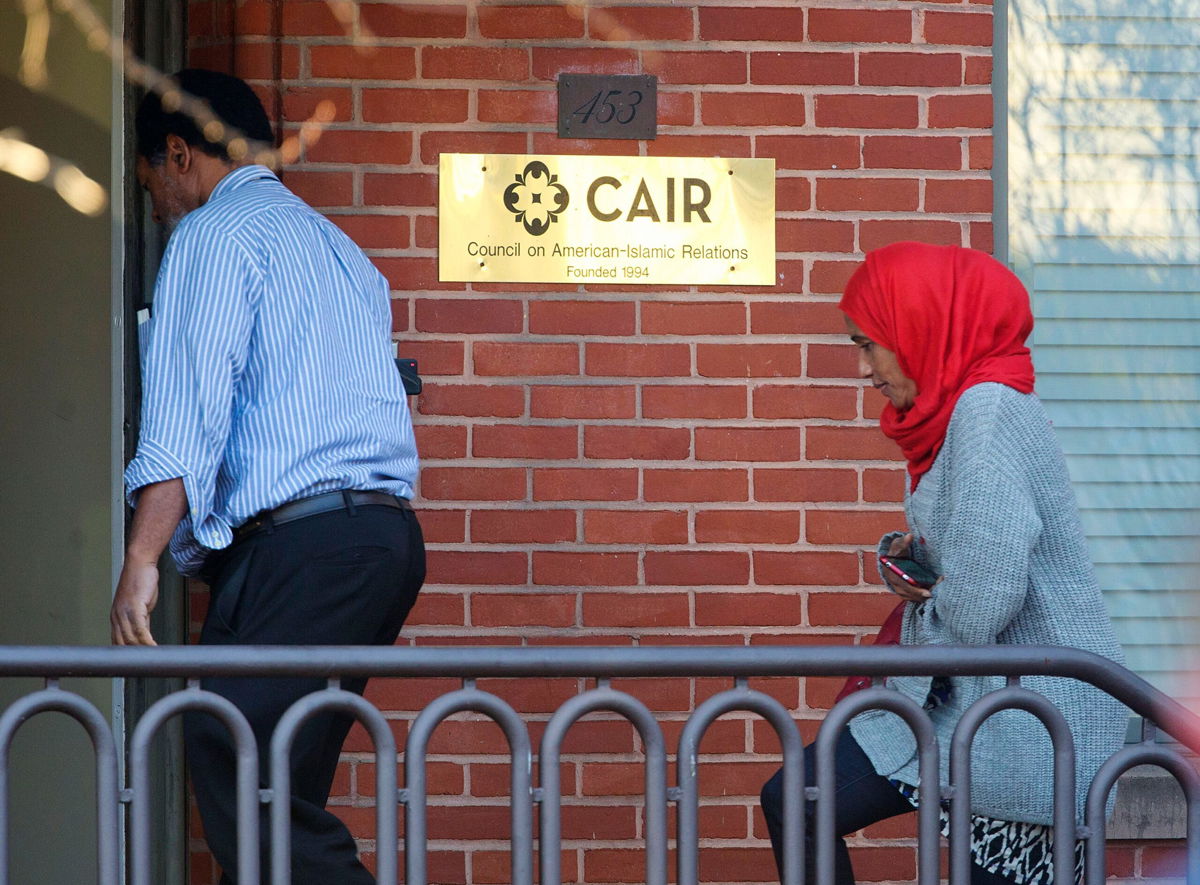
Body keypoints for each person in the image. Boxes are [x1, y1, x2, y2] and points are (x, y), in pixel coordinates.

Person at [112, 69, 425, 884]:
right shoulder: (339, 248)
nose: (155, 207)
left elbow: (187, 410)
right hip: (380, 540)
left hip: (302, 545)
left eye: (151, 183)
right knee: (274, 781)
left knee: (234, 758)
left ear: (178, 154)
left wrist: (141, 560)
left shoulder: (214, 237)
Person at [760, 242, 1128, 885]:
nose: (865, 368)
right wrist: (920, 565)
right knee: (797, 798)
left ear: (922, 326)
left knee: (801, 800)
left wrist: (933, 591)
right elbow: (977, 563)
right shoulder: (959, 413)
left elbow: (981, 603)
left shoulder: (989, 410)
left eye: (870, 344)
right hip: (962, 700)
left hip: (1025, 720)